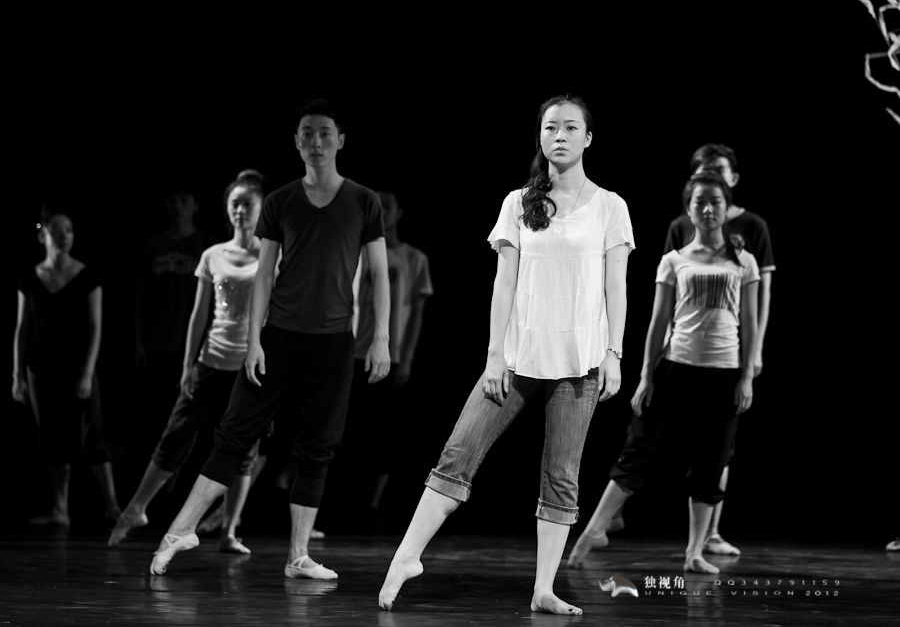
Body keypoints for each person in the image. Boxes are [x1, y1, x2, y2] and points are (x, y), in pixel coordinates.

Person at [378, 95, 633, 616]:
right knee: (459, 452)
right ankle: (406, 557)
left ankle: (544, 588)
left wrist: (614, 352)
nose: (559, 135)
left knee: (561, 473)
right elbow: (503, 284)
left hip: (580, 359)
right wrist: (494, 354)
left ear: (588, 139)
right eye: (550, 127)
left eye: (570, 128)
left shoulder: (611, 206)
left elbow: (616, 286)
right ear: (539, 137)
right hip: (518, 354)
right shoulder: (518, 202)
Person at [147, 99, 390, 579]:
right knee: (235, 433)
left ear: (340, 140)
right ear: (296, 142)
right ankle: (179, 530)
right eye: (307, 133)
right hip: (279, 335)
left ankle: (298, 555)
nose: (316, 141)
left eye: (325, 133)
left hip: (334, 340)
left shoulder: (364, 201)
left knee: (317, 445)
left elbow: (379, 274)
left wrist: (380, 336)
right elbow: (263, 276)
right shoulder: (280, 201)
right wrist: (254, 340)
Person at [567, 171, 759, 574]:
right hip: (675, 369)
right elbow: (657, 323)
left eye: (716, 202)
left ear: (727, 208)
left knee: (711, 462)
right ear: (688, 208)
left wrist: (745, 377)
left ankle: (694, 552)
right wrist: (645, 376)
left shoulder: (744, 262)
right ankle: (592, 531)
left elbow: (751, 323)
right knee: (638, 451)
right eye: (699, 201)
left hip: (724, 374)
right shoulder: (674, 260)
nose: (707, 209)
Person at [109, 170, 266, 553]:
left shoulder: (270, 255)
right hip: (211, 361)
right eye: (234, 204)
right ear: (226, 209)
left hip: (249, 368)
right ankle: (135, 509)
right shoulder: (213, 254)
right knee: (174, 436)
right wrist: (187, 365)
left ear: (261, 207)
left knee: (245, 450)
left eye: (247, 204)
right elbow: (199, 315)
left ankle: (229, 531)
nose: (240, 210)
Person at [12, 205, 120, 526]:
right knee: (51, 437)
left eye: (69, 230)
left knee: (92, 435)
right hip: (40, 369)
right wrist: (17, 374)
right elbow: (22, 328)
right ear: (42, 235)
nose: (64, 236)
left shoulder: (87, 276)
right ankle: (60, 509)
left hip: (77, 367)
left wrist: (87, 372)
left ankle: (113, 506)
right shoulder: (30, 278)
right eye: (56, 230)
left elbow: (96, 327)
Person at [342, 191, 433, 526]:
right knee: (346, 427)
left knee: (383, 431)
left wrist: (406, 358)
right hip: (354, 352)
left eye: (388, 206)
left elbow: (417, 314)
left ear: (399, 212)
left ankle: (372, 505)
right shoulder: (358, 253)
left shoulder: (413, 258)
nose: (382, 212)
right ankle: (340, 500)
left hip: (389, 357)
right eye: (376, 207)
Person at [134, 185, 218, 462]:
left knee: (192, 418)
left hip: (196, 347)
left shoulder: (209, 246)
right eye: (172, 200)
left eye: (184, 199)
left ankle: (182, 476)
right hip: (158, 344)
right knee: (156, 416)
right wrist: (138, 342)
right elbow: (139, 299)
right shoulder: (151, 246)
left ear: (196, 205)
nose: (178, 206)